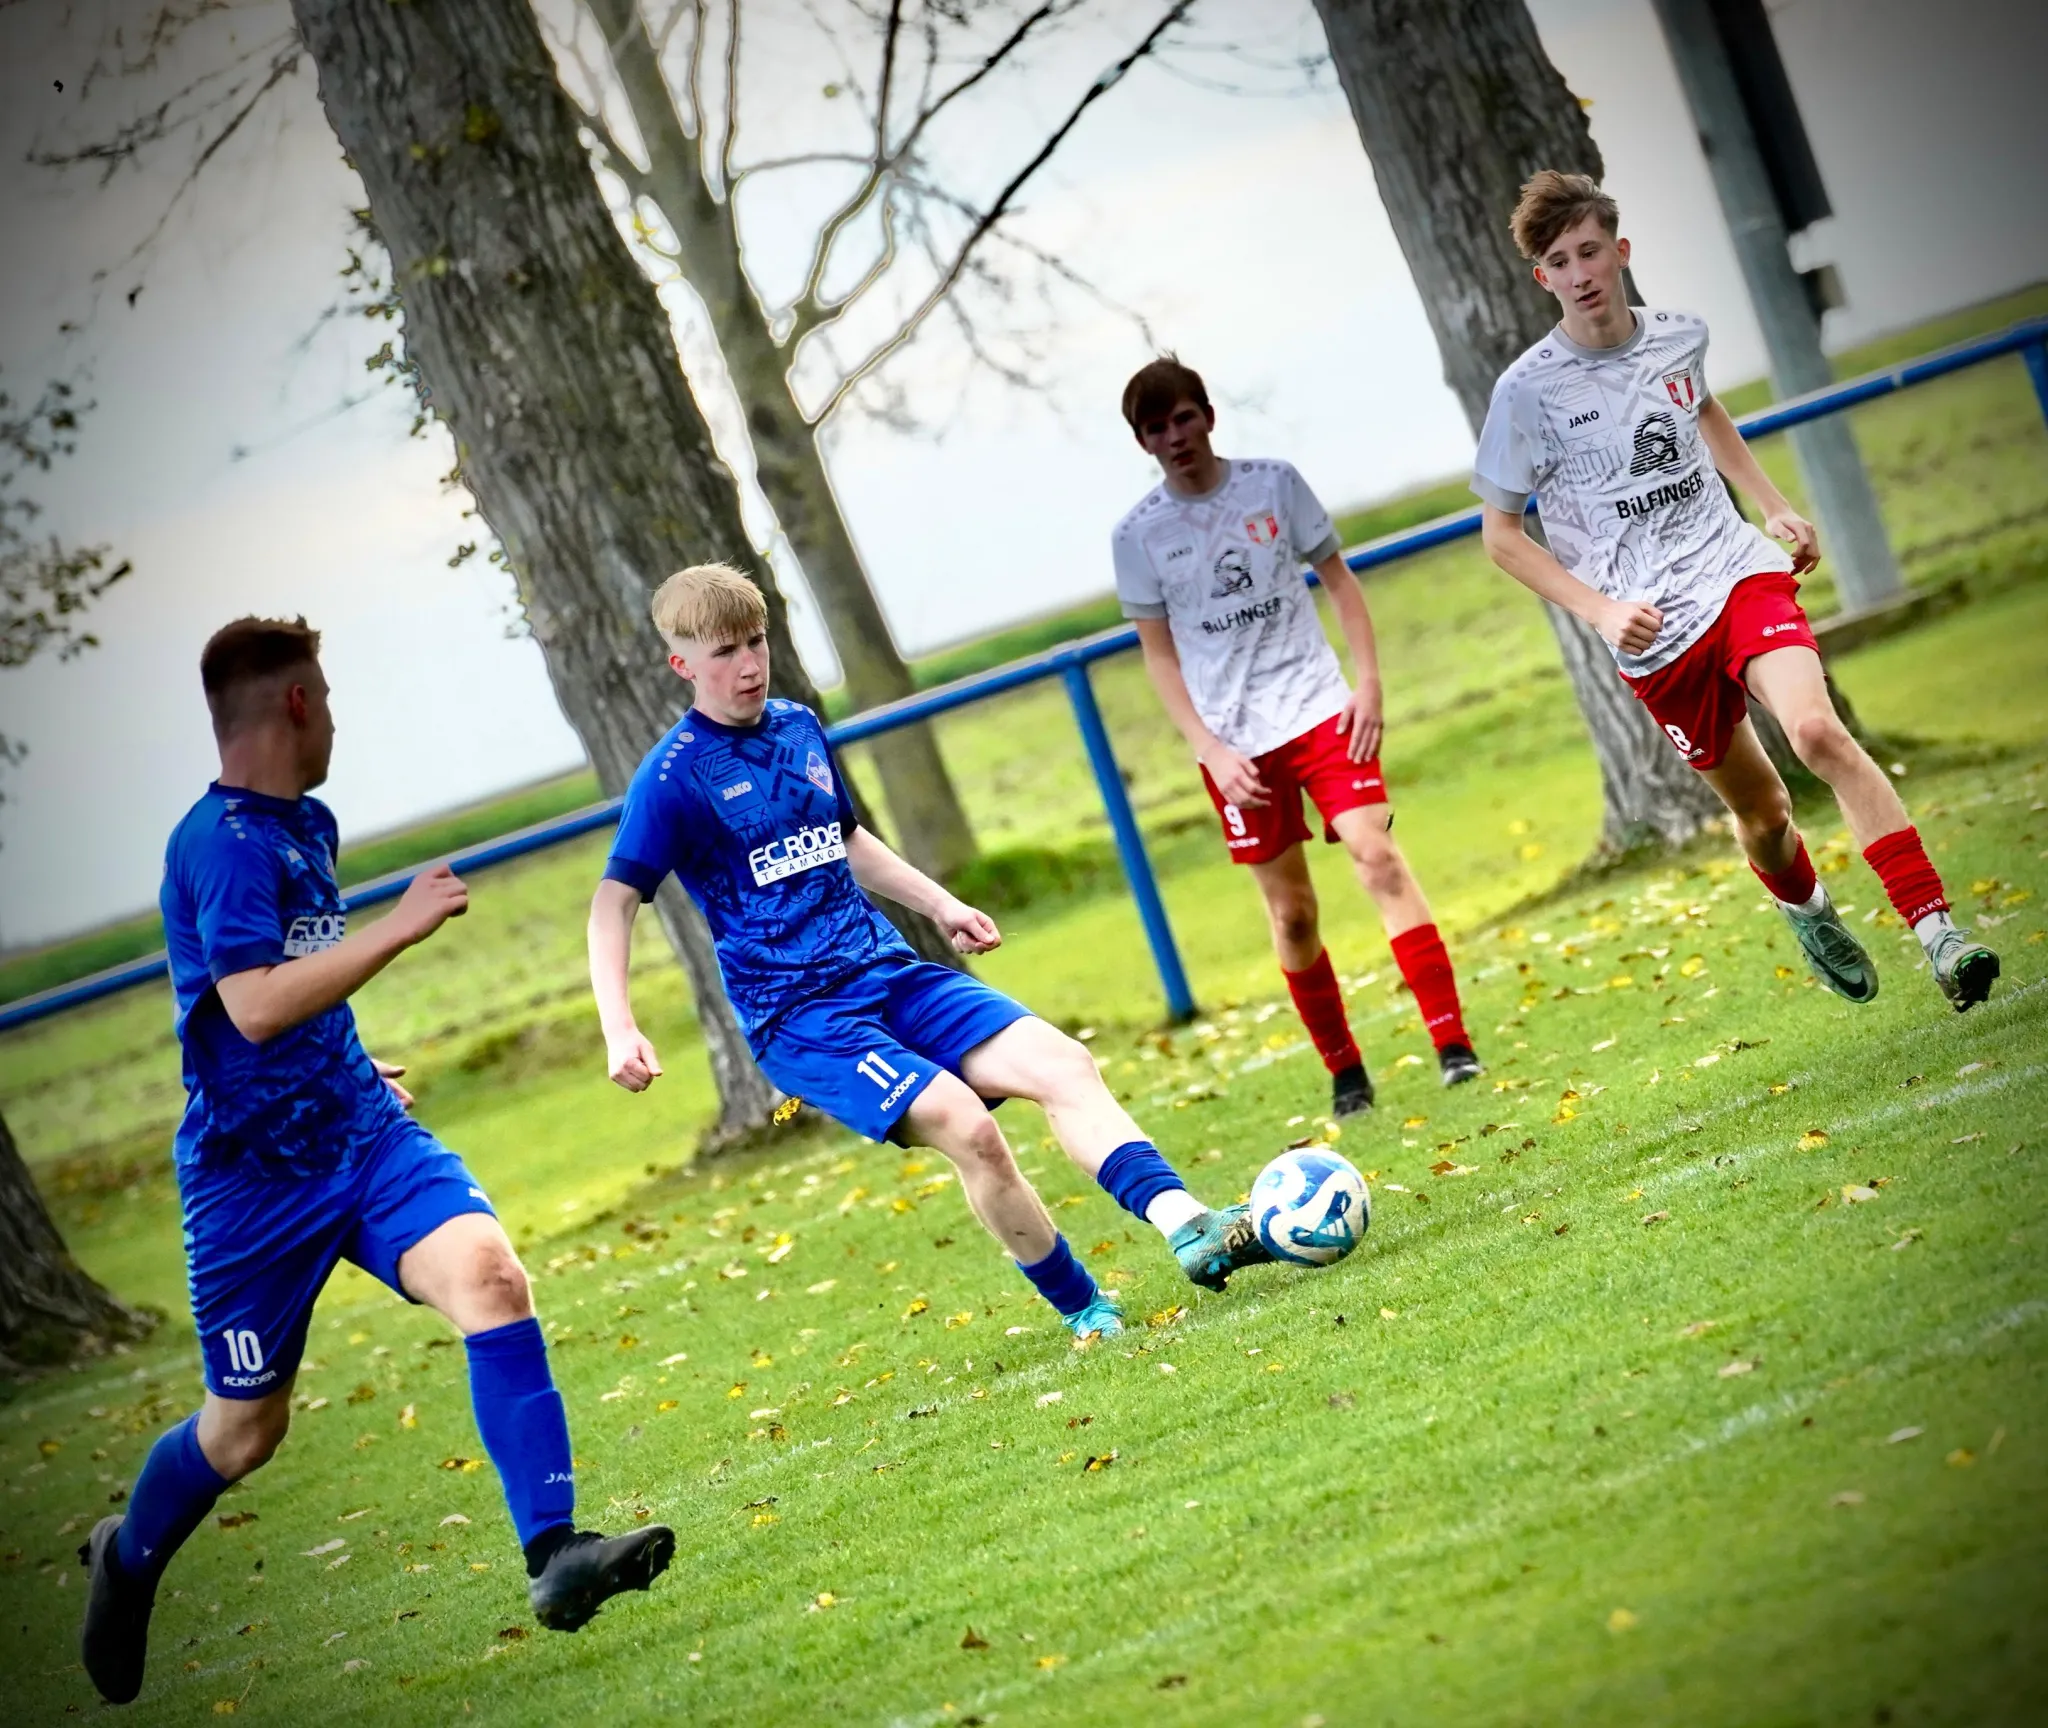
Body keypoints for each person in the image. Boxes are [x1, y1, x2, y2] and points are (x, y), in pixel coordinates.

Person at [78, 618, 672, 1708]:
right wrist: (398, 929)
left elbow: (294, 991)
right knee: (244, 1432)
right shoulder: (218, 845)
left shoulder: (307, 824)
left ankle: (557, 1554)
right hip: (253, 1186)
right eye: (329, 697)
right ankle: (127, 1559)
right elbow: (253, 1008)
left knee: (491, 1276)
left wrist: (347, 1062)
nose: (337, 721)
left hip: (360, 1135)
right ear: (296, 702)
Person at [586, 564, 1274, 1343]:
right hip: (802, 1019)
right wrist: (620, 1026)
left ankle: (1190, 1225)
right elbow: (613, 903)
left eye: (757, 642)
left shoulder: (798, 726)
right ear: (681, 664)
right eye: (724, 653)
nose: (748, 665)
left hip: (885, 971)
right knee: (968, 1127)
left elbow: (844, 839)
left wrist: (941, 904)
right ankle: (1086, 1308)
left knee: (1064, 1065)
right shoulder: (672, 778)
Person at [1473, 171, 1997, 1012]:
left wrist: (1773, 503)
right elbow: (1500, 536)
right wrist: (1601, 610)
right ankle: (1806, 906)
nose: (1579, 273)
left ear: (1620, 251)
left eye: (1590, 251)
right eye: (1559, 262)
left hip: (1732, 570)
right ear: (1543, 277)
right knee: (1765, 813)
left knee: (1817, 731)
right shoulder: (1525, 392)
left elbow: (1704, 409)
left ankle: (1940, 934)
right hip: (1651, 633)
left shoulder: (1680, 336)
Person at [1112, 358, 1483, 1118]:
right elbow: (1158, 655)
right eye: (1156, 428)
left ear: (1208, 417)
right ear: (1143, 442)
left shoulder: (1274, 484)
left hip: (1319, 711)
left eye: (1183, 418)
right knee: (1293, 914)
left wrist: (1368, 683)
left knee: (1377, 856)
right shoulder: (1138, 535)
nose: (1174, 436)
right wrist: (1210, 750)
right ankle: (1346, 1072)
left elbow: (1339, 581)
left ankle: (1453, 1046)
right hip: (1235, 747)